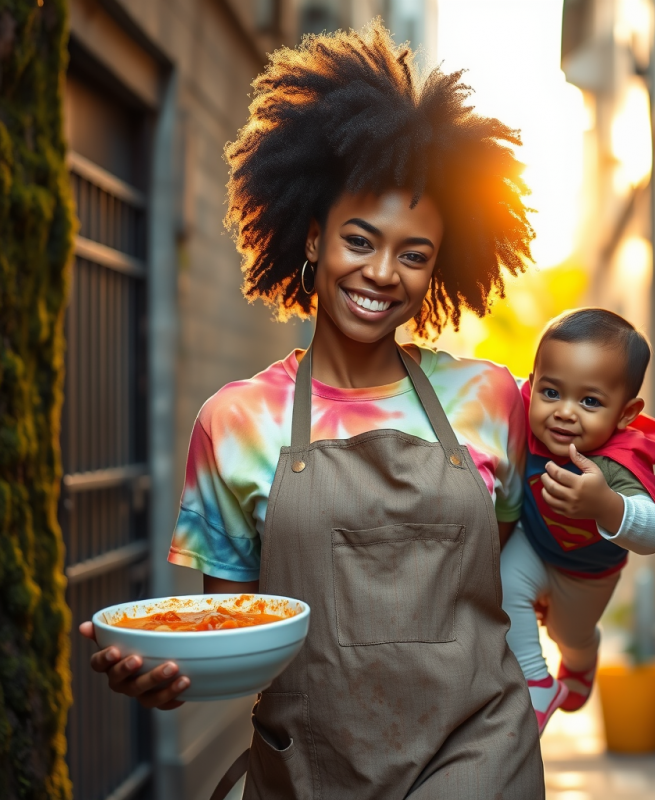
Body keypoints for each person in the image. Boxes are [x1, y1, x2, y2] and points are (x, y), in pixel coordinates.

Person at [79, 21, 545, 799]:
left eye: (414, 254)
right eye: (360, 240)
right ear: (313, 236)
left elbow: (491, 571)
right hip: (311, 771)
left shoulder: (488, 400)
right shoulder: (234, 425)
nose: (383, 273)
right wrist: (167, 675)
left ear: (440, 267)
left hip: (480, 759)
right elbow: (234, 634)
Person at [500, 308, 655, 732]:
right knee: (500, 583)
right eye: (551, 392)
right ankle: (537, 680)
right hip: (533, 545)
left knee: (569, 634)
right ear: (532, 385)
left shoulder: (617, 463)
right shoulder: (520, 417)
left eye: (589, 401)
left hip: (587, 574)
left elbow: (654, 531)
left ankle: (580, 660)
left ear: (626, 414)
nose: (565, 412)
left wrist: (607, 505)